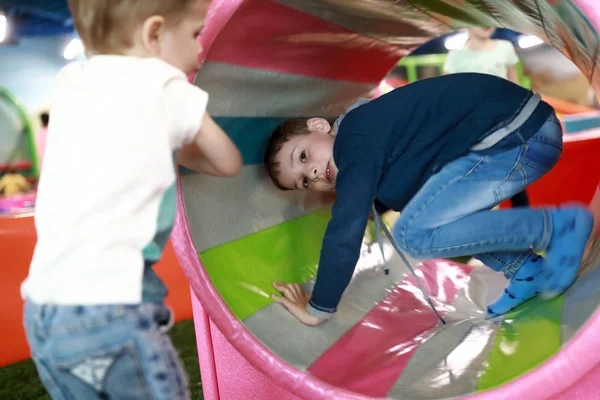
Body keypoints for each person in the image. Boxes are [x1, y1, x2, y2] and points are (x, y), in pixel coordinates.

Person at [20, 1, 242, 399]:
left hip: (43, 313)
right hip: (111, 310)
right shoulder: (167, 85)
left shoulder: (71, 80)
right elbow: (227, 162)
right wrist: (177, 139)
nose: (199, 51)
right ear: (153, 34)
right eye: (195, 34)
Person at [263, 73, 593, 326]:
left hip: (517, 134)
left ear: (320, 126)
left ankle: (558, 227)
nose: (315, 174)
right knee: (428, 214)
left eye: (304, 156)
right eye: (304, 181)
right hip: (523, 135)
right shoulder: (371, 139)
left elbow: (344, 229)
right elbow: (404, 184)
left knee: (412, 233)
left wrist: (318, 307)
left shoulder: (354, 140)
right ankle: (525, 270)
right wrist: (374, 205)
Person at [444, 27, 530, 207]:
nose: (485, 24)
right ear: (466, 22)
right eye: (478, 19)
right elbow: (450, 97)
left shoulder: (504, 47)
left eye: (488, 18)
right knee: (480, 180)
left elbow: (515, 85)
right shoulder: (456, 57)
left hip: (504, 123)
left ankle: (525, 223)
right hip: (474, 128)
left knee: (515, 176)